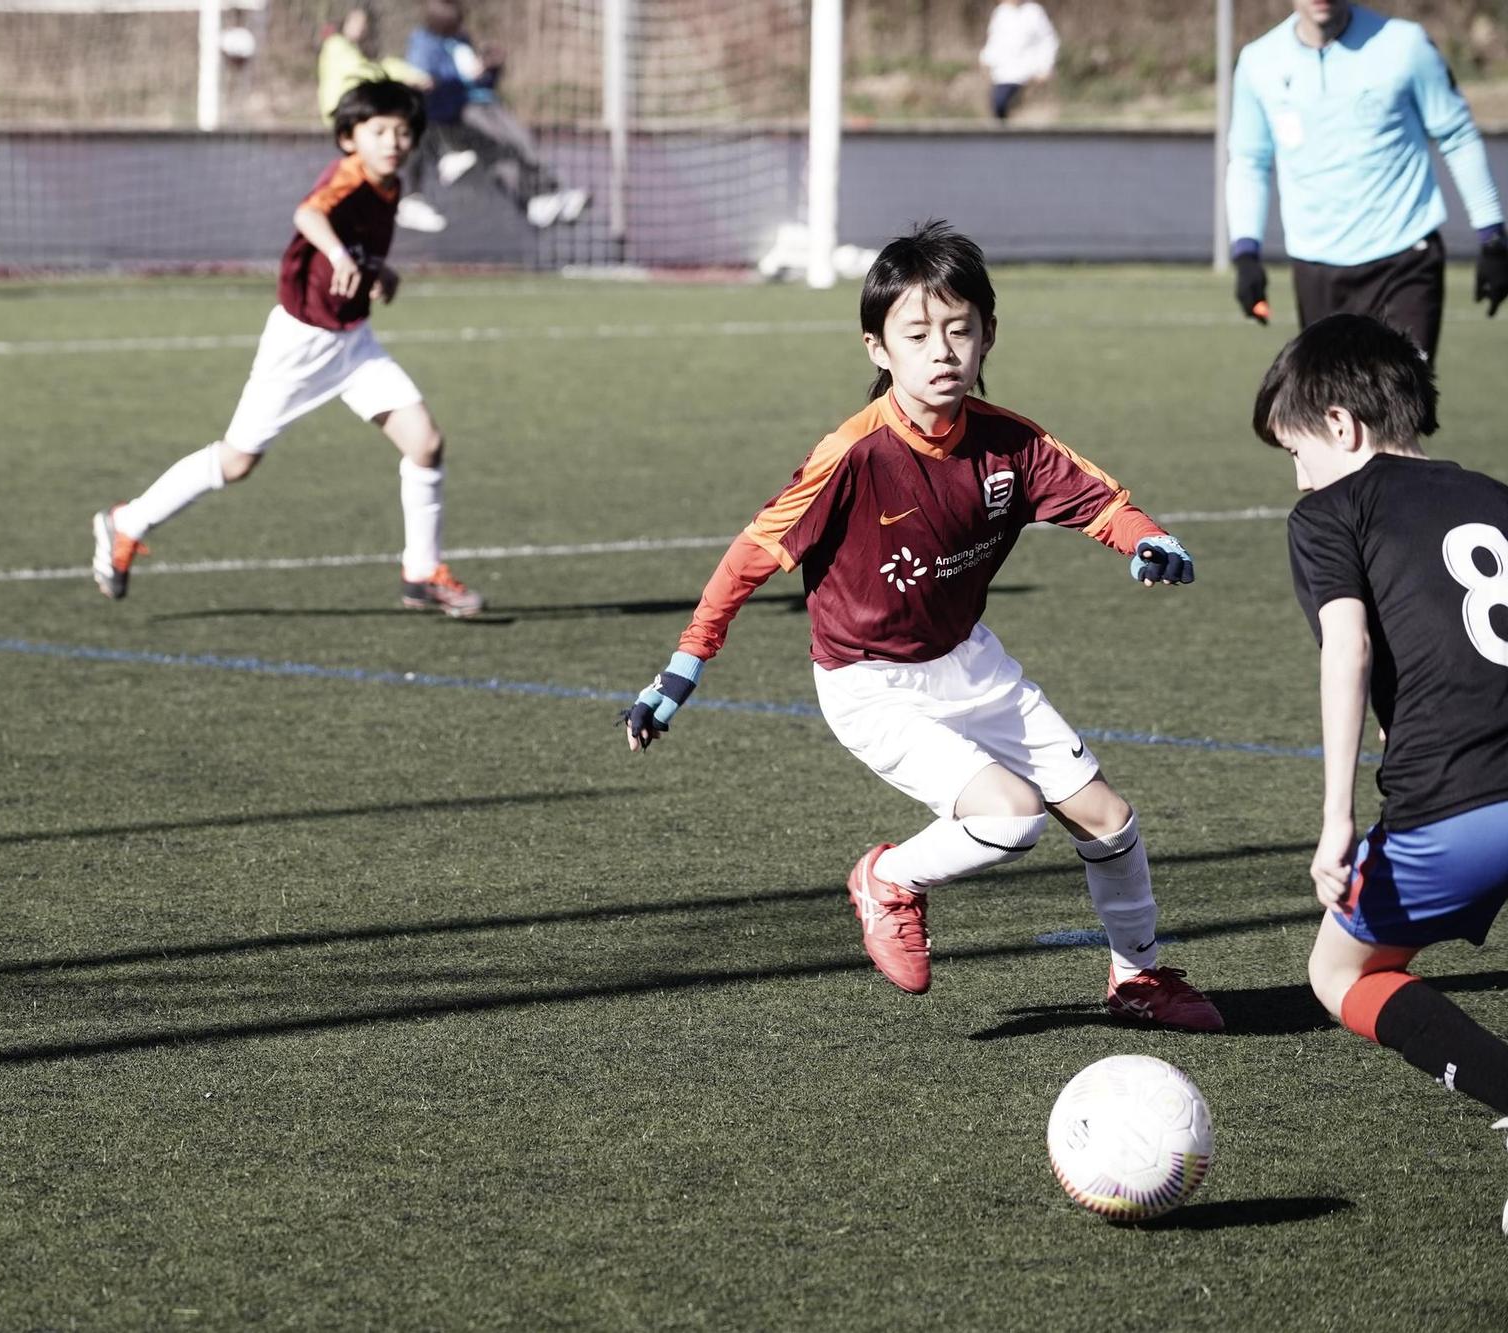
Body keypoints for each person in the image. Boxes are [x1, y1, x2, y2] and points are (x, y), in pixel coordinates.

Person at [620, 220, 1222, 1030]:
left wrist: (1146, 538)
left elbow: (1101, 501)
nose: (942, 350)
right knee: (1012, 815)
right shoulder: (854, 453)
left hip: (969, 663)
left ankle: (1136, 979)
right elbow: (751, 556)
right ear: (878, 347)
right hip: (869, 683)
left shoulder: (1013, 443)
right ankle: (888, 878)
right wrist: (682, 669)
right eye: (917, 333)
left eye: (959, 329)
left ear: (988, 336)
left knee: (1110, 822)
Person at [1253, 312, 1508, 1146]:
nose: (1299, 479)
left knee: (1338, 969)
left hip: (1455, 810)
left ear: (1340, 425)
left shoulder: (1331, 514)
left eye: (1297, 453)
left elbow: (1348, 647)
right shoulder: (1497, 498)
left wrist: (1336, 820)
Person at [91, 80, 484, 618]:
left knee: (425, 444)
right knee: (236, 461)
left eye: (402, 131)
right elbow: (308, 215)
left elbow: (361, 244)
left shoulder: (388, 181)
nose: (393, 141)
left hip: (352, 342)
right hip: (302, 343)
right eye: (378, 131)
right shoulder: (348, 175)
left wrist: (376, 270)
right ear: (349, 138)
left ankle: (421, 573)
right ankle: (127, 522)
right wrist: (340, 256)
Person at [1227, 1, 1508, 359]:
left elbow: (1458, 135)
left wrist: (1492, 236)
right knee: (1336, 410)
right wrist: (1246, 254)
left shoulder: (1405, 45)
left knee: (1401, 405)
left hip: (1404, 259)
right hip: (1315, 268)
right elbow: (1250, 162)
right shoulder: (1258, 62)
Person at [405, 0, 587, 229]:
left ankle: (548, 194)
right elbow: (427, 79)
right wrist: (464, 76)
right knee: (503, 151)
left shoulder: (460, 40)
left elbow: (478, 79)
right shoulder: (424, 43)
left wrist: (491, 68)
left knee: (517, 145)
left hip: (480, 104)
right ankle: (535, 197)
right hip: (459, 112)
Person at [317, 8, 445, 234]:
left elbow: (385, 66)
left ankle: (416, 194)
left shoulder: (365, 54)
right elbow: (364, 70)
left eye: (364, 23)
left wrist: (413, 75)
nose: (393, 143)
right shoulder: (336, 46)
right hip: (347, 112)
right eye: (379, 133)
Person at [978, 0, 1058, 122]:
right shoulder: (1001, 12)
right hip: (1003, 73)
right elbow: (995, 41)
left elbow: (1048, 41)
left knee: (1018, 109)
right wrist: (985, 58)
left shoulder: (1034, 12)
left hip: (1027, 73)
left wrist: (1045, 67)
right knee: (999, 104)